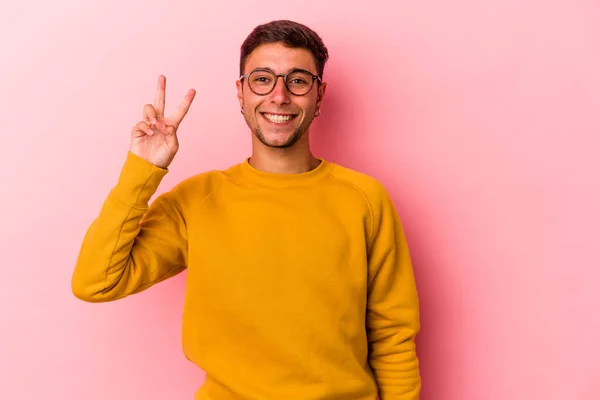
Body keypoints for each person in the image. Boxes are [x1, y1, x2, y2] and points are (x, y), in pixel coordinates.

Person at [71, 19, 421, 400]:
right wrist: (143, 169)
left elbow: (392, 335)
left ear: (319, 96)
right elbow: (96, 282)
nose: (279, 96)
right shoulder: (196, 200)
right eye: (262, 79)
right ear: (241, 92)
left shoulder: (365, 199)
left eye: (298, 80)